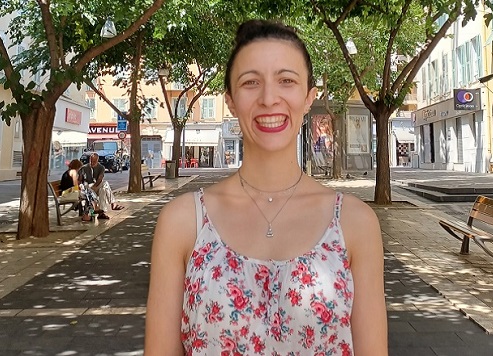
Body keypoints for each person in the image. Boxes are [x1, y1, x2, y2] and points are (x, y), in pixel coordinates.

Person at [145, 20, 387, 355]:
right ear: (230, 101)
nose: (269, 98)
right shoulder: (183, 222)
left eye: (286, 80)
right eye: (250, 83)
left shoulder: (354, 223)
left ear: (308, 97)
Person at [78, 153, 123, 220]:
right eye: (91, 161)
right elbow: (79, 180)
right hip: (87, 188)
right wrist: (81, 186)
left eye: (94, 161)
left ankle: (102, 211)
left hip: (96, 187)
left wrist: (94, 186)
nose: (92, 163)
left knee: (103, 188)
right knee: (105, 185)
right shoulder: (84, 168)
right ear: (89, 159)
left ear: (97, 160)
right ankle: (113, 203)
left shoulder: (101, 167)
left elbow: (100, 179)